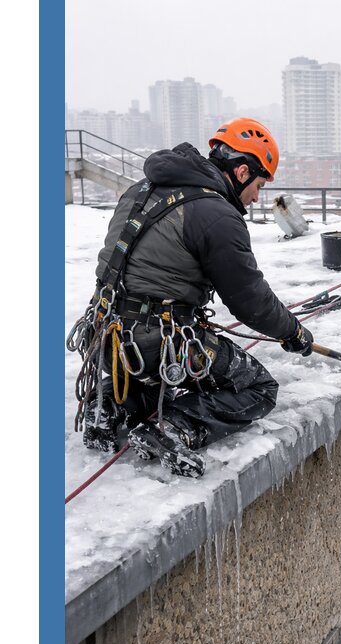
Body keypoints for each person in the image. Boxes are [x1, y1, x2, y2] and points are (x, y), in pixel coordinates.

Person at [76, 117, 313, 478]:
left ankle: (109, 407)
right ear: (243, 171)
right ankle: (171, 428)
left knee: (170, 380)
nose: (256, 198)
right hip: (155, 342)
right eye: (260, 185)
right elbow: (249, 299)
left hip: (105, 337)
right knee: (257, 387)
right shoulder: (216, 214)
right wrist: (291, 331)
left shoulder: (140, 189)